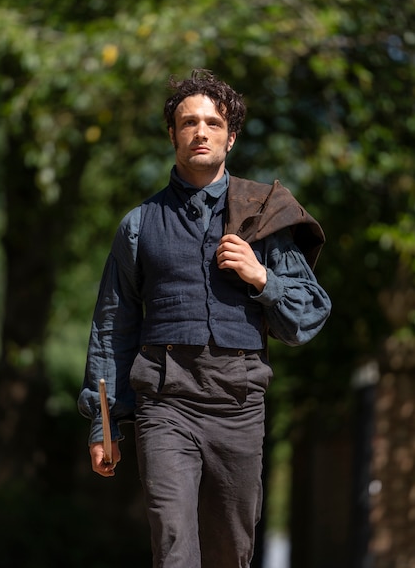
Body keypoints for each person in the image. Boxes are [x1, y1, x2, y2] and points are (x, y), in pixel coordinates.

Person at [78, 69, 331, 568]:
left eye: (213, 123)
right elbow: (113, 324)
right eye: (188, 122)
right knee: (173, 544)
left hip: (238, 406)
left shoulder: (261, 215)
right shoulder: (139, 224)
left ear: (230, 137)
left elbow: (310, 315)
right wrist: (102, 425)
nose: (201, 132)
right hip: (166, 404)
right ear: (171, 134)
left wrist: (263, 278)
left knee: (229, 553)